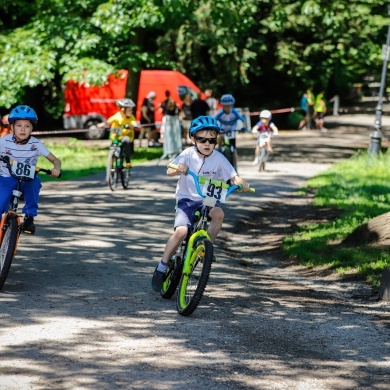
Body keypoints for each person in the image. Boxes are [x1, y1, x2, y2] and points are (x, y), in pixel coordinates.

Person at [151, 115, 250, 292]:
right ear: (193, 139)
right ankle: (162, 266)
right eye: (201, 139)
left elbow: (233, 176)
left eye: (211, 140)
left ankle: (206, 249)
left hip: (208, 198)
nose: (207, 143)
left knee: (219, 214)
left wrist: (241, 182)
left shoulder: (219, 158)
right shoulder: (187, 154)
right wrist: (179, 168)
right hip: (187, 198)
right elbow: (169, 170)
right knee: (181, 232)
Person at [0, 105, 61, 234]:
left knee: (35, 182)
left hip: (27, 179)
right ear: (12, 127)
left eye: (27, 126)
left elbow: (55, 160)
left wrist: (56, 168)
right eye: (19, 125)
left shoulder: (36, 144)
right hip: (6, 177)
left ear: (32, 128)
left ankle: (29, 217)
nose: (23, 129)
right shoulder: (4, 141)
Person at [97, 98, 137, 168]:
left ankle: (128, 161)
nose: (131, 111)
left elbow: (134, 124)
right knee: (114, 144)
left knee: (126, 141)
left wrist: (133, 126)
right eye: (129, 110)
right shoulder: (117, 116)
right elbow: (108, 121)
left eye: (131, 109)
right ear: (123, 110)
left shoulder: (131, 117)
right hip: (116, 134)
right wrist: (102, 125)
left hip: (126, 135)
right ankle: (111, 161)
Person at [214, 94, 246, 168]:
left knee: (234, 149)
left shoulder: (235, 112)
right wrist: (214, 128)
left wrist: (243, 127)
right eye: (225, 106)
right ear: (222, 106)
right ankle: (219, 149)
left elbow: (243, 120)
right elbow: (214, 120)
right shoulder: (220, 113)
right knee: (220, 136)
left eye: (229, 106)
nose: (227, 108)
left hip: (232, 129)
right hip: (223, 128)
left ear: (231, 105)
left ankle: (235, 168)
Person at [159, 91, 182, 159]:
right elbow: (179, 111)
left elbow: (160, 110)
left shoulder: (164, 102)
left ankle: (169, 151)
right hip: (175, 120)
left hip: (168, 120)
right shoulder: (173, 102)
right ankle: (176, 150)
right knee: (176, 136)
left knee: (168, 136)